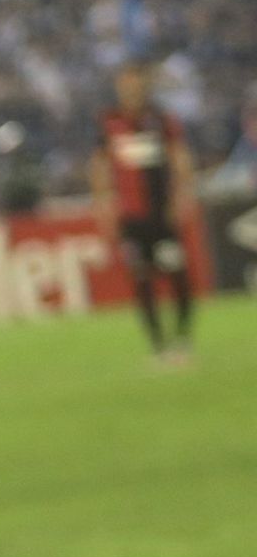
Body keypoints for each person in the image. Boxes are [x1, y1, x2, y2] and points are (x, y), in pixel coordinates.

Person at [90, 60, 198, 362]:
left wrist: (182, 194)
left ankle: (183, 338)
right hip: (131, 219)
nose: (131, 89)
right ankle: (159, 345)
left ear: (145, 86)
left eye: (136, 84)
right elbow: (99, 163)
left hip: (161, 215)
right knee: (140, 280)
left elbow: (179, 157)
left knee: (176, 275)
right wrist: (103, 205)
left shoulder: (161, 119)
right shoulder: (108, 121)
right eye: (126, 84)